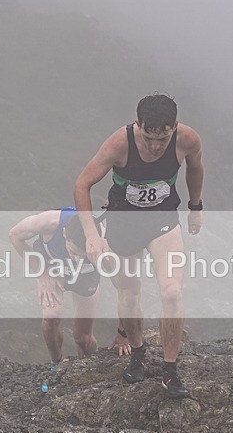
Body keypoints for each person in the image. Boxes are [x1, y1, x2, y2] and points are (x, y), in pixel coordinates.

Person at [74, 94, 204, 398]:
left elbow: (196, 168)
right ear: (137, 125)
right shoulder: (119, 144)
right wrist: (92, 235)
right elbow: (82, 184)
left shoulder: (188, 140)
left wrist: (196, 206)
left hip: (162, 222)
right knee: (129, 294)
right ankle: (137, 352)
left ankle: (170, 371)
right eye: (148, 138)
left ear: (174, 127)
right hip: (123, 225)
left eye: (163, 139)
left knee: (171, 292)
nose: (156, 146)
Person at [9, 207, 130, 369]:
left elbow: (126, 291)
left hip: (86, 274)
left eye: (83, 255)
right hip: (52, 267)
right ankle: (56, 364)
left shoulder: (107, 244)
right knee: (51, 318)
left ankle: (87, 365)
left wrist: (124, 333)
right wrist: (42, 274)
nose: (77, 259)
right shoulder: (50, 222)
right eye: (73, 252)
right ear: (65, 233)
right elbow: (14, 235)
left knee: (82, 338)